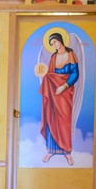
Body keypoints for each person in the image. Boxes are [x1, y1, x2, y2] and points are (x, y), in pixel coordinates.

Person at [39, 31, 79, 166]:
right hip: (54, 93)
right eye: (51, 44)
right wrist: (45, 76)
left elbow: (75, 73)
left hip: (65, 92)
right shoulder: (53, 57)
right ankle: (51, 150)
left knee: (64, 121)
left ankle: (67, 152)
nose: (54, 45)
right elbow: (51, 75)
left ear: (60, 40)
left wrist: (64, 86)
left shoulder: (71, 54)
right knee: (51, 118)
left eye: (54, 42)